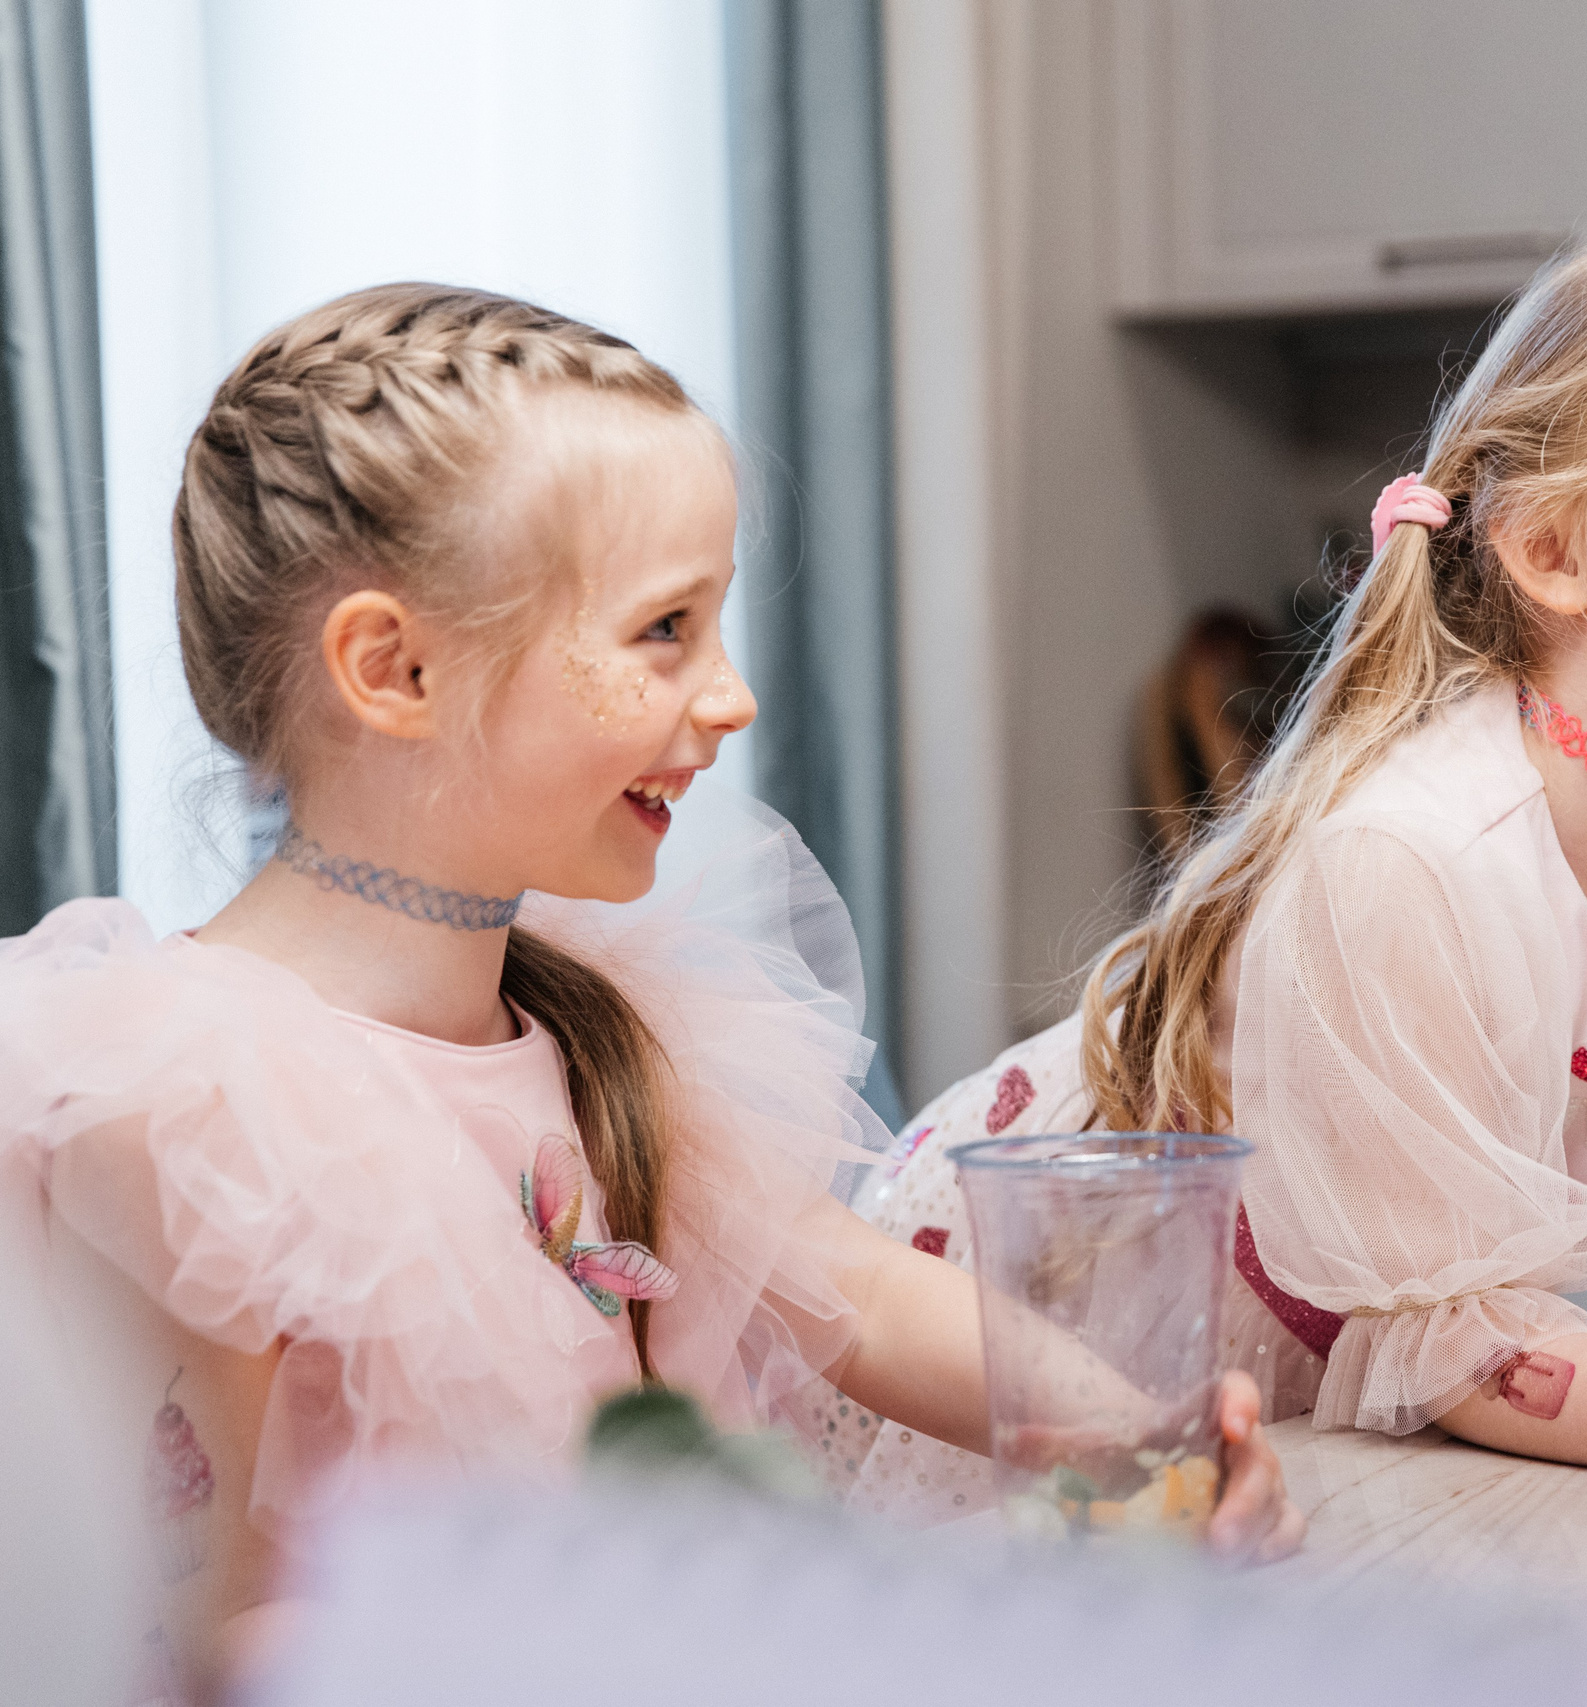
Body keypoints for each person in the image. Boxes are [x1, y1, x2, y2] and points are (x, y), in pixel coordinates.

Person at [0, 286, 1300, 1694]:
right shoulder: (185, 1109)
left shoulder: (600, 1019)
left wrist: (1133, 1438)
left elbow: (852, 1293)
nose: (732, 695)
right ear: (395, 669)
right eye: (665, 630)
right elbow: (198, 1644)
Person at [861, 219, 1587, 1516]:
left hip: (1303, 1430)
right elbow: (1438, 1336)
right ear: (1550, 548)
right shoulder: (1403, 861)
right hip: (1026, 1346)